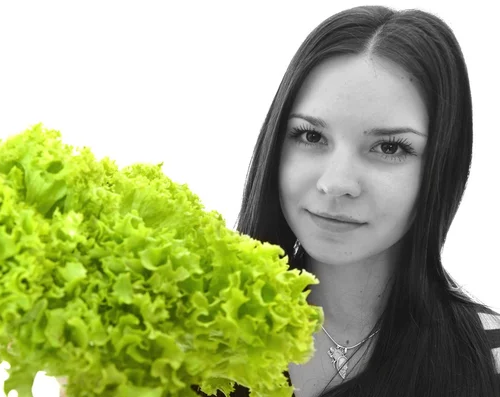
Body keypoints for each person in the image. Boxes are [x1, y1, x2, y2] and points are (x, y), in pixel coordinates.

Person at [194, 4, 500, 397]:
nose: (336, 183)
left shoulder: (490, 358)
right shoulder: (192, 333)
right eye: (310, 136)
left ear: (443, 165)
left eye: (389, 147)